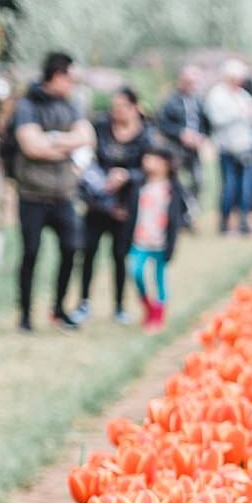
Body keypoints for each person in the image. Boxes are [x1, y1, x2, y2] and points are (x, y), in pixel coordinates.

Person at [8, 51, 95, 333]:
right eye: (70, 77)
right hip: (32, 196)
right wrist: (66, 144)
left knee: (71, 249)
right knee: (31, 253)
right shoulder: (27, 105)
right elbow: (31, 146)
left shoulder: (71, 105)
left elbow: (87, 138)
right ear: (57, 75)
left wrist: (52, 141)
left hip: (63, 195)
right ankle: (25, 314)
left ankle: (58, 309)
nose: (73, 83)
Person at [76, 87, 149, 325]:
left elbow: (150, 169)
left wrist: (127, 175)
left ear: (134, 107)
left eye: (122, 107)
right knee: (88, 252)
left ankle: (119, 306)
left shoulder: (145, 135)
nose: (116, 112)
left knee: (120, 256)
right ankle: (83, 302)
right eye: (114, 107)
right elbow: (87, 158)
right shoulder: (101, 127)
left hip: (126, 206)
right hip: (98, 203)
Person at [127, 143, 187, 331]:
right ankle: (148, 305)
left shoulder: (172, 189)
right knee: (135, 271)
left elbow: (177, 217)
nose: (148, 162)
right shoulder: (140, 185)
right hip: (140, 239)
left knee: (159, 279)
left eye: (154, 159)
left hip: (160, 241)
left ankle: (158, 316)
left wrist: (171, 242)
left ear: (166, 164)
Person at [205, 63, 252, 235]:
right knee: (229, 185)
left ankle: (244, 221)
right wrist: (238, 113)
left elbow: (251, 117)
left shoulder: (243, 95)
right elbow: (216, 119)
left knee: (246, 185)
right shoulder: (217, 95)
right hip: (227, 147)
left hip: (246, 146)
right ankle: (225, 222)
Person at [155, 65, 210, 215]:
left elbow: (205, 122)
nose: (192, 86)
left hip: (194, 148)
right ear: (181, 81)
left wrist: (201, 136)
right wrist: (181, 134)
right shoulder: (170, 100)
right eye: (189, 82)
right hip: (176, 147)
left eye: (195, 82)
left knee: (198, 180)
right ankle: (178, 213)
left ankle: (191, 212)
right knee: (177, 182)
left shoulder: (198, 100)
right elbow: (162, 123)